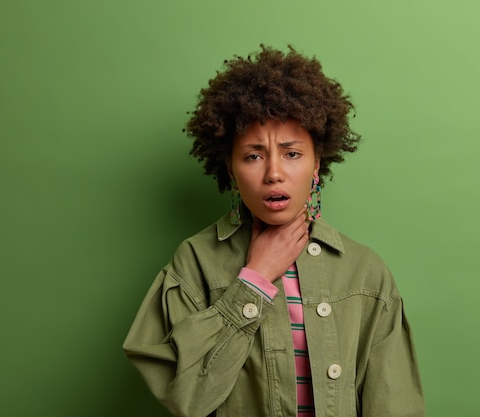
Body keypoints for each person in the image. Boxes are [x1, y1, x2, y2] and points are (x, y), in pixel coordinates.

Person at [123, 45, 424, 417]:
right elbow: (188, 398)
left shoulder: (365, 271)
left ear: (317, 163)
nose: (274, 173)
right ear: (231, 170)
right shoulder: (194, 262)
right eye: (253, 155)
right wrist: (255, 279)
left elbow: (394, 405)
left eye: (292, 153)